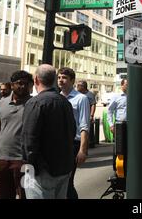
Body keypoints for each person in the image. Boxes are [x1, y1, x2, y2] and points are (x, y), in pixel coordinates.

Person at [22, 64, 76, 199]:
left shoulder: (35, 102)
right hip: (63, 168)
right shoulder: (65, 102)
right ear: (53, 80)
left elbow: (29, 139)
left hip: (43, 171)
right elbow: (72, 131)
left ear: (36, 80)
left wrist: (31, 165)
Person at [0, 70, 33, 199]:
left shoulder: (35, 104)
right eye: (20, 83)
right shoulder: (1, 103)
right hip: (1, 160)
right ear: (12, 85)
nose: (23, 86)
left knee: (27, 196)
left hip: (26, 162)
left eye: (26, 84)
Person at [57, 67, 90, 199]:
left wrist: (83, 150)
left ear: (72, 81)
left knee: (67, 182)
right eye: (59, 77)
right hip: (58, 144)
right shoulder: (56, 97)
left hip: (73, 144)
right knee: (59, 181)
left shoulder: (81, 99)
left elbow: (84, 126)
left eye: (64, 78)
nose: (61, 80)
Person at [76, 81, 97, 148]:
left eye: (79, 85)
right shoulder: (77, 94)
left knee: (86, 130)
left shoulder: (90, 94)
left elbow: (93, 105)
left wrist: (91, 115)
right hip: (79, 115)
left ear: (83, 86)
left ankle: (87, 145)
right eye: (77, 85)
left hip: (87, 115)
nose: (77, 87)